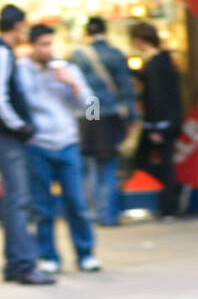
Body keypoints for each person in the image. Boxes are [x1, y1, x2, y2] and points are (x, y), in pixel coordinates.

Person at [19, 24, 100, 273]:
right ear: (32, 45)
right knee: (42, 207)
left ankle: (85, 253)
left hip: (67, 144)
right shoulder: (21, 70)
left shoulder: (69, 69)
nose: (48, 50)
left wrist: (73, 84)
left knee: (77, 202)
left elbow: (93, 110)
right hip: (37, 145)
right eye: (43, 44)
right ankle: (49, 256)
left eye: (50, 44)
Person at [0, 6, 53, 285]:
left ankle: (16, 262)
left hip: (9, 135)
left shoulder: (3, 52)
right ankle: (24, 264)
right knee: (18, 201)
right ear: (15, 27)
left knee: (15, 201)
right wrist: (20, 125)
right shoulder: (2, 52)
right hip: (9, 137)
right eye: (24, 28)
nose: (25, 33)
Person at [71, 16, 138, 226]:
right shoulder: (115, 54)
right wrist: (132, 116)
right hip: (109, 113)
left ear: (86, 33)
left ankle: (89, 214)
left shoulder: (77, 55)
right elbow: (126, 87)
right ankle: (107, 214)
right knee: (108, 165)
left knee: (89, 164)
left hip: (89, 111)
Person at [129, 21, 185, 220]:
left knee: (146, 160)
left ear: (139, 40)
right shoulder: (164, 61)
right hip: (168, 120)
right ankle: (172, 197)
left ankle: (171, 200)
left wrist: (156, 127)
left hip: (160, 122)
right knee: (161, 162)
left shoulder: (156, 64)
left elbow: (157, 97)